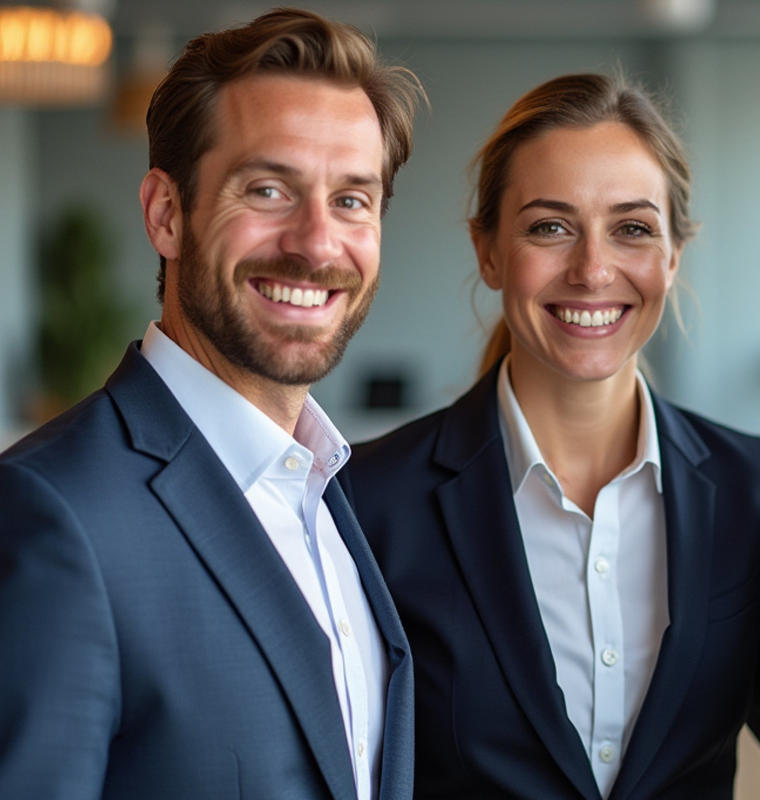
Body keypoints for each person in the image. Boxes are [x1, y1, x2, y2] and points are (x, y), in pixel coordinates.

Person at [0, 9, 424, 799]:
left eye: (353, 201)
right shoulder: (53, 513)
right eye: (268, 189)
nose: (317, 243)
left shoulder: (332, 496)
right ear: (167, 213)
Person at [340, 73, 760, 799]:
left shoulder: (754, 485)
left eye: (633, 228)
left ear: (673, 255)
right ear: (488, 250)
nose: (592, 268)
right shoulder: (370, 499)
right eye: (550, 226)